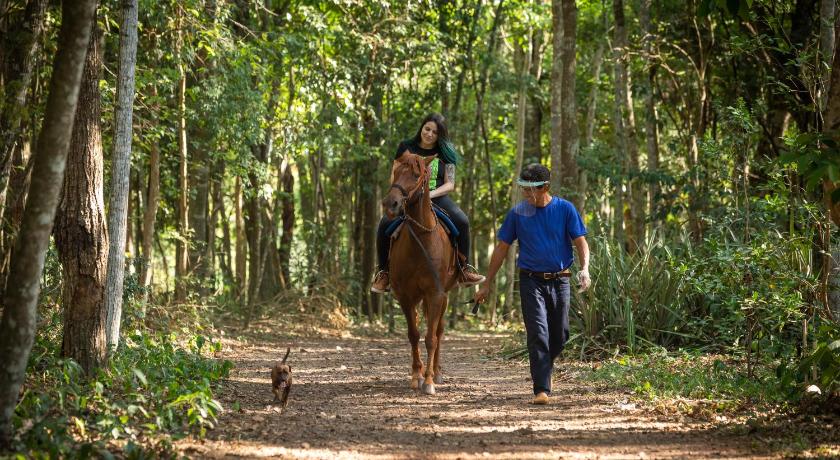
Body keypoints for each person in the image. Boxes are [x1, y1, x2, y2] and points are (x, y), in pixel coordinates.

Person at [473, 163, 591, 405]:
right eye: (523, 189)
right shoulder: (518, 213)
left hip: (560, 280)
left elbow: (580, 242)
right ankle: (541, 389)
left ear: (545, 187)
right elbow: (501, 248)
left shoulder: (565, 209)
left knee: (560, 335)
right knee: (538, 333)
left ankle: (545, 368)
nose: (526, 194)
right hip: (530, 281)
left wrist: (585, 269)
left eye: (530, 189)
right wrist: (487, 282)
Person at [371, 113, 485, 293]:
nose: (430, 134)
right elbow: (394, 175)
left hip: (436, 197)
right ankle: (383, 273)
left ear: (440, 135)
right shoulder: (406, 147)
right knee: (384, 224)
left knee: (462, 221)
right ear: (422, 127)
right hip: (408, 199)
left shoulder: (446, 151)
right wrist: (404, 193)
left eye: (435, 132)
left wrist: (429, 195)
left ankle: (465, 269)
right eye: (427, 129)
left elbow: (450, 184)